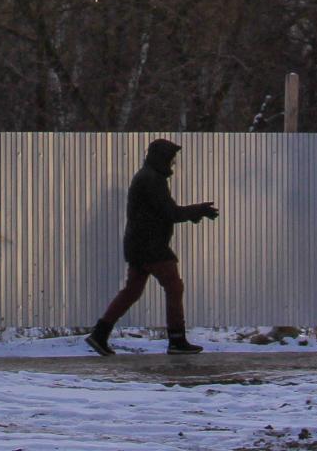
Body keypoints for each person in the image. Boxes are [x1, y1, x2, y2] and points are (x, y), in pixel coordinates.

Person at [87, 138, 220, 355]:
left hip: (139, 245)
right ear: (162, 158)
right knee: (174, 287)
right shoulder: (152, 180)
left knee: (132, 291)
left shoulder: (148, 177)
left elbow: (162, 213)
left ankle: (99, 334)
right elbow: (170, 212)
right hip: (151, 246)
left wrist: (193, 214)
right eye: (171, 158)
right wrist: (198, 211)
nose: (174, 163)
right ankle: (177, 340)